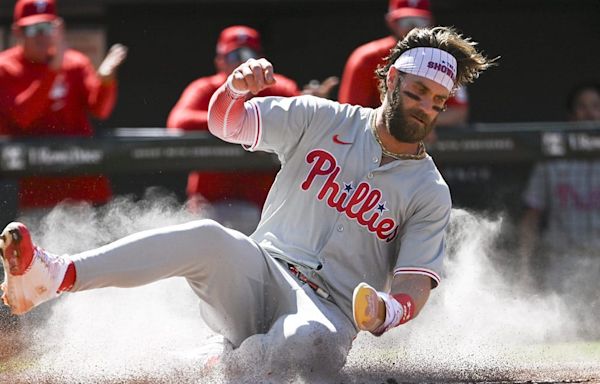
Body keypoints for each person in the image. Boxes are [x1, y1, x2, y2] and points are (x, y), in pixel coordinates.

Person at [1, 27, 492, 381]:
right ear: (391, 82)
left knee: (309, 342)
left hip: (330, 308)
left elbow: (414, 284)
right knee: (207, 236)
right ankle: (54, 274)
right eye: (418, 92)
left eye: (438, 101)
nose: (426, 107)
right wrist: (233, 88)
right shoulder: (322, 117)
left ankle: (213, 365)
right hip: (260, 268)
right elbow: (227, 123)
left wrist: (388, 310)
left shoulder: (430, 190)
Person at [167, 25, 337, 233]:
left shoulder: (278, 87)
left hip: (266, 209)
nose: (241, 62)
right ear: (219, 61)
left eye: (249, 55)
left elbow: (307, 121)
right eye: (233, 56)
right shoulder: (206, 88)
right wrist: (239, 120)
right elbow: (178, 122)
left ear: (261, 59)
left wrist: (315, 106)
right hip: (211, 207)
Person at [0, 0, 127, 212]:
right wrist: (53, 71)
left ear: (59, 28)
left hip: (84, 190)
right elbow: (23, 116)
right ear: (18, 32)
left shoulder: (75, 63)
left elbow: (100, 110)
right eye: (34, 29)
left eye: (48, 27)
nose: (42, 35)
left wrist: (106, 80)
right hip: (36, 194)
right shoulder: (6, 67)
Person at [338, 0, 469, 128]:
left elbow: (458, 112)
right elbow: (352, 116)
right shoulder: (365, 58)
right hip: (372, 139)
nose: (412, 28)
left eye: (419, 21)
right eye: (405, 21)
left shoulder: (443, 59)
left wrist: (423, 124)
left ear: (430, 23)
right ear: (391, 22)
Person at [519, 83, 600, 283]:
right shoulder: (552, 158)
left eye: (596, 106)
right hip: (563, 263)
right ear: (571, 116)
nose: (589, 113)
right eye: (582, 106)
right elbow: (531, 218)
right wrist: (523, 270)